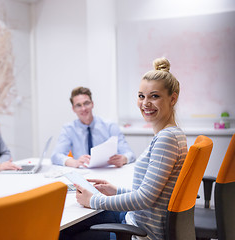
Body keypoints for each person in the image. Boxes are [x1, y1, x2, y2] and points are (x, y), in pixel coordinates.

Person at [60, 58, 188, 240]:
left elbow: (145, 199)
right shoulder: (171, 135)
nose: (145, 103)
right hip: (136, 218)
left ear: (172, 98)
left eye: (154, 96)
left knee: (62, 234)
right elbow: (152, 194)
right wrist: (115, 190)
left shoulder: (166, 139)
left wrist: (92, 200)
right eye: (141, 96)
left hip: (141, 232)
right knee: (70, 226)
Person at [51, 86, 135, 168]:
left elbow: (130, 154)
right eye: (78, 105)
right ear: (73, 109)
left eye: (86, 103)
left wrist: (124, 159)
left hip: (107, 171)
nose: (83, 108)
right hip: (83, 173)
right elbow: (56, 156)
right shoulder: (68, 129)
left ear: (92, 104)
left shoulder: (110, 126)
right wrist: (74, 162)